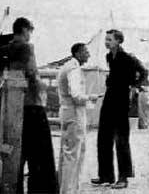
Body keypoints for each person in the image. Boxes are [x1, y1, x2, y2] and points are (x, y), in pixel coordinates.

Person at [6, 17, 58, 194]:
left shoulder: (7, 47)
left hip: (14, 106)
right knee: (41, 155)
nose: (30, 35)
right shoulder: (27, 47)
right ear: (25, 29)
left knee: (20, 153)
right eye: (29, 31)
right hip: (31, 104)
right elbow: (32, 73)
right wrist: (42, 88)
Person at [91, 29, 146, 189]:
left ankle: (123, 178)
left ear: (118, 41)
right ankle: (105, 176)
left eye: (110, 39)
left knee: (121, 139)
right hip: (109, 97)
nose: (106, 42)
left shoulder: (128, 57)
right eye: (106, 39)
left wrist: (134, 87)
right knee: (103, 136)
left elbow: (144, 72)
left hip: (121, 99)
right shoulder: (109, 57)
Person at [57, 43, 101, 194]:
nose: (88, 55)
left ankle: (66, 189)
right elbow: (76, 95)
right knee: (73, 155)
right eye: (86, 52)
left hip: (67, 112)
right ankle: (68, 190)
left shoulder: (66, 67)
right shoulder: (73, 69)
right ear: (78, 53)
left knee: (67, 154)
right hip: (74, 114)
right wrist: (91, 97)